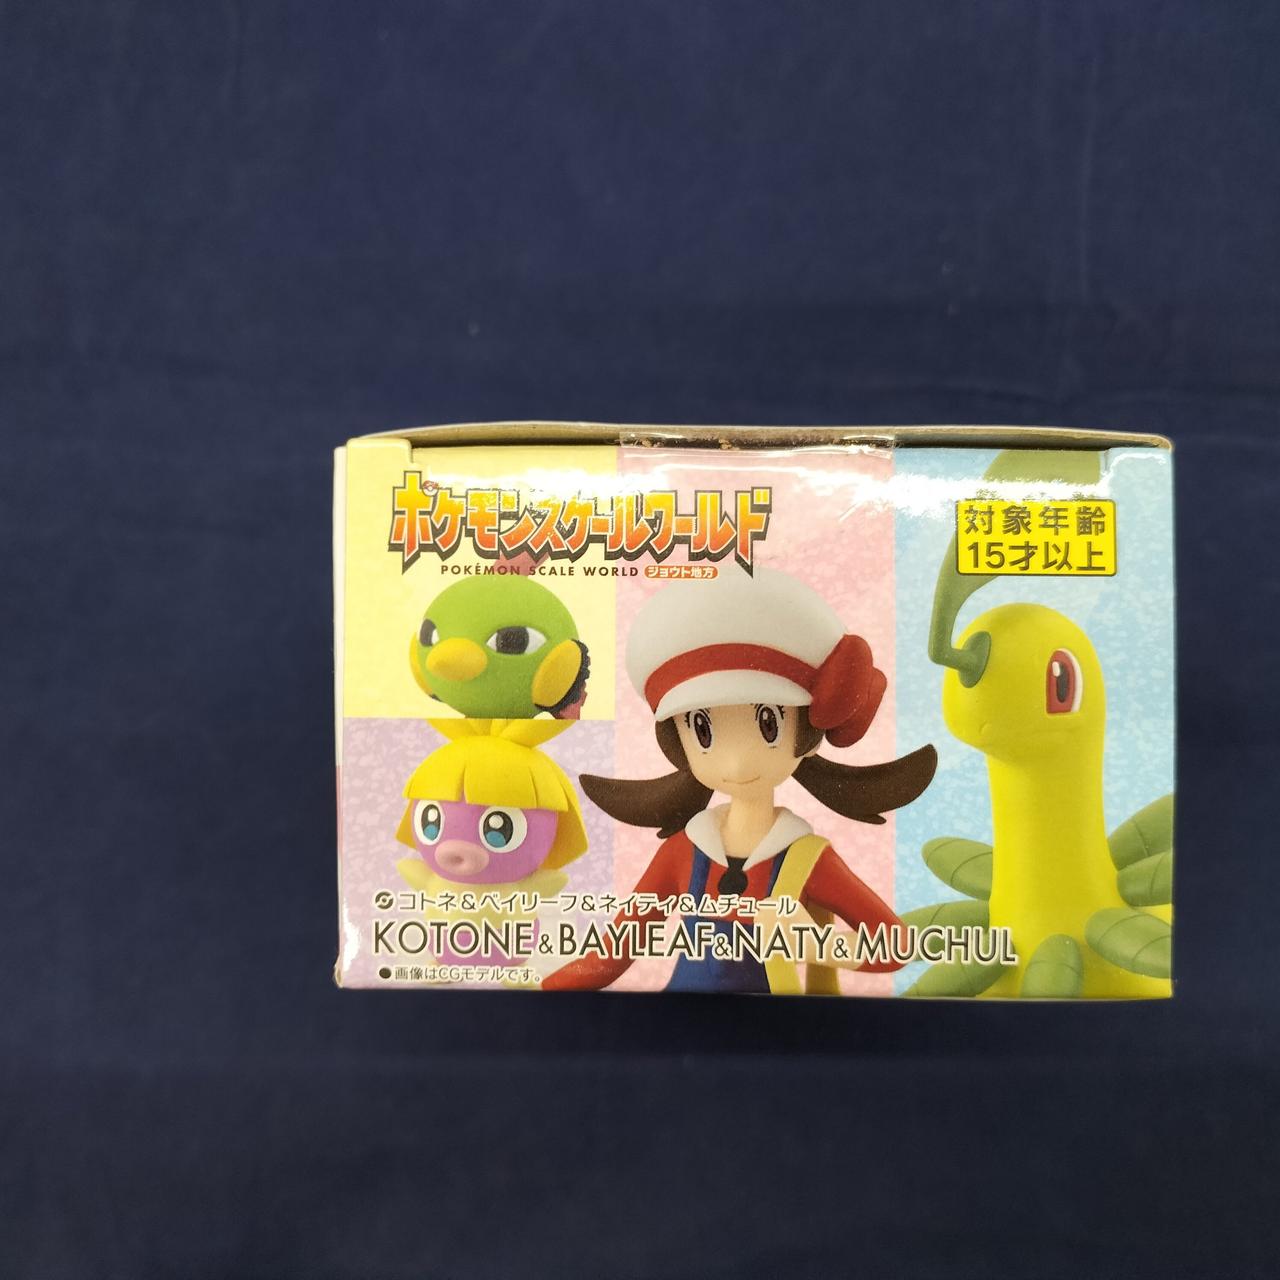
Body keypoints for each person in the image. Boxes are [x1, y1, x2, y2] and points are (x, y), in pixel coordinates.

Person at [542, 567, 936, 993]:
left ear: (805, 732)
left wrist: (816, 945)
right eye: (703, 730)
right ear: (678, 742)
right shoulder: (684, 851)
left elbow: (894, 944)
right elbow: (616, 950)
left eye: (769, 724)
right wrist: (539, 991)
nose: (736, 761)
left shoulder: (805, 858)